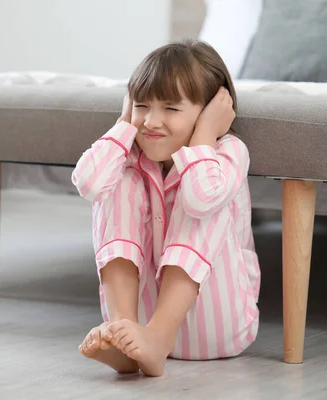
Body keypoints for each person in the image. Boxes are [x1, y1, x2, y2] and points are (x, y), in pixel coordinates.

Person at [72, 39, 261, 377]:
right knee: (118, 180)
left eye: (171, 109)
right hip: (137, 331)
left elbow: (202, 197)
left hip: (220, 327)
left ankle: (160, 337)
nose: (152, 122)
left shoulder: (229, 152)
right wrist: (125, 123)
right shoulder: (132, 154)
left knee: (201, 196)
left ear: (209, 112)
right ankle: (121, 331)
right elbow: (89, 183)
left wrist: (204, 134)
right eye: (143, 105)